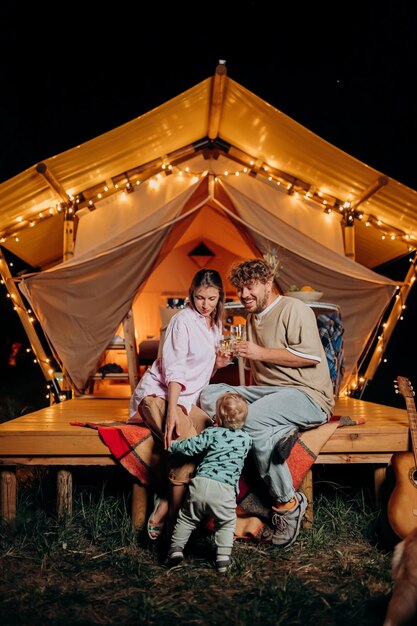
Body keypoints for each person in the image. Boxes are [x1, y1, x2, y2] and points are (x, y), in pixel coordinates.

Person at [200, 258, 334, 548]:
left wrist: (261, 353)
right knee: (208, 395)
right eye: (240, 289)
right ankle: (278, 429)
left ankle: (287, 504)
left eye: (250, 287)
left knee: (249, 420)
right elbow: (255, 364)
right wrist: (224, 360)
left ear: (268, 284)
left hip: (307, 395)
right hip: (270, 394)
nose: (245, 294)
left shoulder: (293, 308)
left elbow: (310, 358)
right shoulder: (250, 318)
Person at [128, 269, 231, 541]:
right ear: (192, 294)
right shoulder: (181, 321)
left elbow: (199, 373)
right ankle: (174, 527)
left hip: (188, 399)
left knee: (214, 439)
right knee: (184, 445)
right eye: (199, 297)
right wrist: (171, 412)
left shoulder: (215, 325)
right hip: (159, 395)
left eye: (211, 298)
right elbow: (174, 372)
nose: (205, 304)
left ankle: (164, 501)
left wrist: (217, 364)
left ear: (220, 297)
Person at [166, 392, 251, 573]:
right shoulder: (247, 440)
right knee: (227, 523)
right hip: (225, 489)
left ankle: (175, 549)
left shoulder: (211, 433)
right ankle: (222, 560)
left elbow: (191, 447)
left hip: (201, 484)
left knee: (187, 518)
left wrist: (172, 446)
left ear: (217, 418)